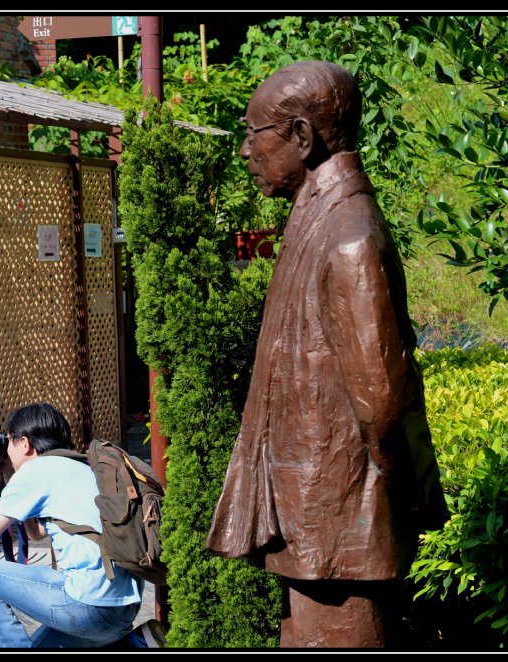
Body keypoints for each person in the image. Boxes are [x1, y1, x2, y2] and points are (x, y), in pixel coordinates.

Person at [205, 61, 449, 648]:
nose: (245, 150)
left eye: (253, 133)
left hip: (339, 518)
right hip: (313, 512)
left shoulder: (350, 235)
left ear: (301, 137)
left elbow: (383, 401)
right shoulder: (315, 221)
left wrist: (389, 504)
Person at [0, 403, 142, 648]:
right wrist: (10, 479)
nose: (6, 449)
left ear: (25, 443)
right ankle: (137, 642)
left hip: (88, 605)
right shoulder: (83, 466)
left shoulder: (36, 472)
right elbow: (36, 532)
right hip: (122, 610)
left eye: (9, 440)